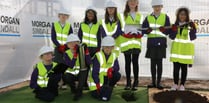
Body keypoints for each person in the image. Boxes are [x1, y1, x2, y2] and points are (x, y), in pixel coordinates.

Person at [142, 0, 171, 89]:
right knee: (152, 64)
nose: (157, 8)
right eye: (155, 6)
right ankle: (153, 82)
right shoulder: (148, 17)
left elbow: (168, 30)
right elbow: (143, 29)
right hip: (151, 44)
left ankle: (159, 83)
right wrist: (147, 30)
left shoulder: (165, 17)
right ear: (152, 7)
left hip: (161, 44)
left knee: (159, 63)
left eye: (159, 6)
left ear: (161, 7)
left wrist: (164, 30)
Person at [169, 7, 197, 91]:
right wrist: (173, 30)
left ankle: (182, 85)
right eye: (181, 14)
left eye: (184, 14)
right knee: (176, 70)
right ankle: (175, 84)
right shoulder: (175, 25)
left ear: (187, 16)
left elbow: (193, 37)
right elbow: (171, 37)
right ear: (178, 15)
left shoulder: (191, 25)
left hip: (186, 52)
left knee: (184, 69)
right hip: (176, 51)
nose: (182, 16)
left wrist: (193, 29)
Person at [120, 0, 144, 90]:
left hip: (136, 43)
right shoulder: (122, 16)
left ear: (137, 3)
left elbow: (142, 29)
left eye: (135, 1)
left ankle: (136, 82)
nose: (133, 2)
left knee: (135, 62)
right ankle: (128, 82)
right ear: (127, 3)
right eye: (131, 1)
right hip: (126, 43)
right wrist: (124, 34)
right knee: (127, 63)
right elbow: (120, 28)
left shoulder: (140, 16)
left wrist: (141, 33)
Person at [88, 36, 121, 101]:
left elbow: (117, 67)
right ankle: (104, 90)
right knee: (103, 98)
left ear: (113, 47)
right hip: (97, 83)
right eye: (106, 47)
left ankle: (109, 87)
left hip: (106, 80)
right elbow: (94, 72)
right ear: (102, 47)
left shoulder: (114, 55)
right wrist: (97, 84)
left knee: (117, 75)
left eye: (110, 47)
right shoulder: (98, 55)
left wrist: (112, 69)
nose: (108, 49)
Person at [63, 34, 91, 101]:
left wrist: (86, 52)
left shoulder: (82, 51)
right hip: (71, 74)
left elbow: (89, 62)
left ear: (78, 43)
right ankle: (73, 89)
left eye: (75, 42)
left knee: (84, 71)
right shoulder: (66, 53)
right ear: (67, 45)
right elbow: (71, 65)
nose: (73, 44)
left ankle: (79, 91)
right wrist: (75, 55)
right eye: (71, 43)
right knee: (66, 76)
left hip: (81, 74)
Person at [51, 8, 73, 89]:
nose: (63, 16)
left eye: (65, 15)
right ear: (59, 16)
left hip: (66, 49)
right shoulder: (55, 25)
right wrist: (59, 46)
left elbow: (70, 38)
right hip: (57, 49)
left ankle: (63, 83)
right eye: (62, 15)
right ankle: (56, 83)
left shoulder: (69, 26)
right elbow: (53, 38)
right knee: (57, 66)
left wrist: (66, 46)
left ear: (67, 17)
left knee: (64, 65)